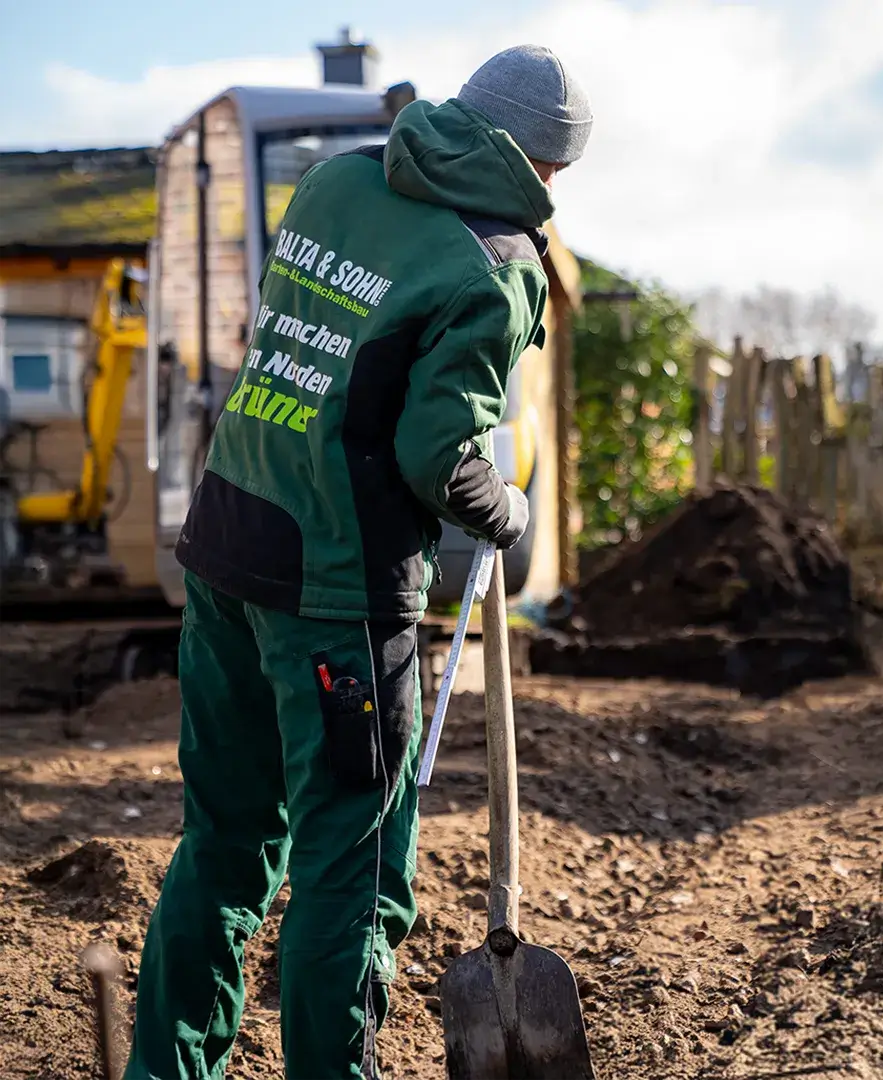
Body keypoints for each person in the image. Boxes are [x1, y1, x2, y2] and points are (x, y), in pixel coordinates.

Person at [123, 43, 593, 1080]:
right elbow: (438, 456)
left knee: (225, 844)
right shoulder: (496, 265)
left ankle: (163, 1070)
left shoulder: (340, 177)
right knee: (354, 864)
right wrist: (506, 510)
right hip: (335, 590)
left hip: (226, 537)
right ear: (549, 167)